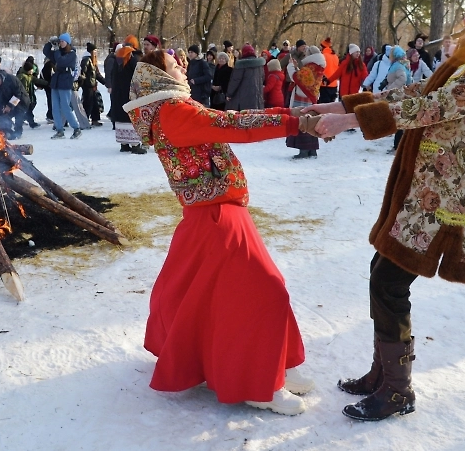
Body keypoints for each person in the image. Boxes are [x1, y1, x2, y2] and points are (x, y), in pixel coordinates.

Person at [308, 0, 465, 421]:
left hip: (450, 199)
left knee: (389, 282)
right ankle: (384, 376)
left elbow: (433, 107)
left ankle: (397, 392)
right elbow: (419, 91)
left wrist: (351, 123)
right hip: (425, 192)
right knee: (382, 273)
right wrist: (342, 105)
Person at [123, 49, 318, 416]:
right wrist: (296, 122)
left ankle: (273, 364)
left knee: (231, 295)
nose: (182, 68)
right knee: (264, 291)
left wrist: (295, 116)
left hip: (221, 212)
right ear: (157, 76)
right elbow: (233, 125)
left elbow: (231, 121)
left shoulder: (173, 108)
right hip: (215, 220)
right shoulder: (173, 112)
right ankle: (258, 384)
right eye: (173, 65)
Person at [286, 46, 326, 159]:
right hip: (311, 98)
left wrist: (290, 66)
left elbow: (296, 78)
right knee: (312, 122)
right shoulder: (318, 66)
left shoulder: (311, 66)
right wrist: (297, 67)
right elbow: (305, 79)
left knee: (302, 122)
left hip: (302, 98)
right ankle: (312, 150)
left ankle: (303, 150)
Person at [42, 33, 82, 139]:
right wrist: (49, 43)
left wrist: (56, 50)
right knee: (55, 107)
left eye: (62, 41)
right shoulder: (58, 52)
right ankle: (59, 130)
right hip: (56, 81)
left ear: (67, 42)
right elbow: (46, 52)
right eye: (59, 41)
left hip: (65, 81)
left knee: (65, 107)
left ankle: (76, 128)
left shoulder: (72, 54)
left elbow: (61, 61)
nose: (60, 43)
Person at [110, 39, 146, 153]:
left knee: (121, 117)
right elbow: (138, 76)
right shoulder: (132, 60)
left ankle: (124, 144)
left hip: (117, 94)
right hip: (130, 94)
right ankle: (135, 145)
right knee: (131, 117)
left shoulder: (117, 60)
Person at [0, 69, 29, 140]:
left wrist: (10, 106)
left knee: (19, 116)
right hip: (7, 101)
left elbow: (18, 94)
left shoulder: (11, 79)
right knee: (3, 117)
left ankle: (17, 133)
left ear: (0, 79)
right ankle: (7, 132)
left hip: (21, 101)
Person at [225, 44, 265, 110]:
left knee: (243, 114)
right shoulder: (260, 66)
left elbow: (235, 81)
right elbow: (262, 78)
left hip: (243, 97)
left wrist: (229, 94)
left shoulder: (241, 65)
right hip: (257, 97)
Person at [385, 46, 409, 152]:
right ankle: (398, 146)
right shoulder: (401, 64)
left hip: (397, 95)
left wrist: (391, 88)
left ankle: (397, 147)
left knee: (398, 120)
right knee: (399, 120)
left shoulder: (398, 65)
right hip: (399, 95)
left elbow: (402, 78)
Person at [80, 43, 106, 127]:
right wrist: (83, 83)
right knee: (88, 103)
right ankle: (85, 120)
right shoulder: (86, 60)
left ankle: (95, 119)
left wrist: (105, 82)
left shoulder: (92, 61)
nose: (96, 53)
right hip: (88, 85)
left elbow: (96, 74)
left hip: (92, 85)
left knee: (95, 103)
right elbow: (82, 72)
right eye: (95, 51)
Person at [16, 58, 44, 129]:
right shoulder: (22, 76)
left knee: (28, 108)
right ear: (28, 70)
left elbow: (37, 80)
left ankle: (28, 121)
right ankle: (28, 123)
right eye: (31, 70)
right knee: (25, 109)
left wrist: (47, 83)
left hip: (26, 96)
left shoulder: (30, 76)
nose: (33, 71)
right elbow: (17, 84)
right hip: (21, 96)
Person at [319, 38, 340, 103]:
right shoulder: (335, 56)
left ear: (323, 47)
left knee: (323, 105)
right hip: (334, 85)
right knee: (330, 106)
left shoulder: (322, 56)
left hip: (324, 84)